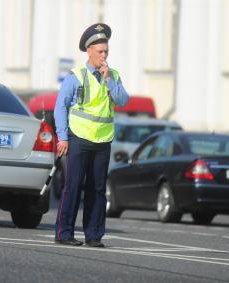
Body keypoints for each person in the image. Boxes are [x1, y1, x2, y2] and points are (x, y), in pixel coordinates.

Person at [54, 23, 129, 247]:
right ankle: (64, 233)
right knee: (74, 185)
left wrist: (109, 81)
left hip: (102, 141)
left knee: (97, 190)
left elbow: (123, 101)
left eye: (106, 51)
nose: (104, 56)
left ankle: (94, 235)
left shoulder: (113, 75)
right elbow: (61, 106)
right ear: (89, 51)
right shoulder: (76, 76)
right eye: (100, 51)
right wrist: (62, 136)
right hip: (78, 138)